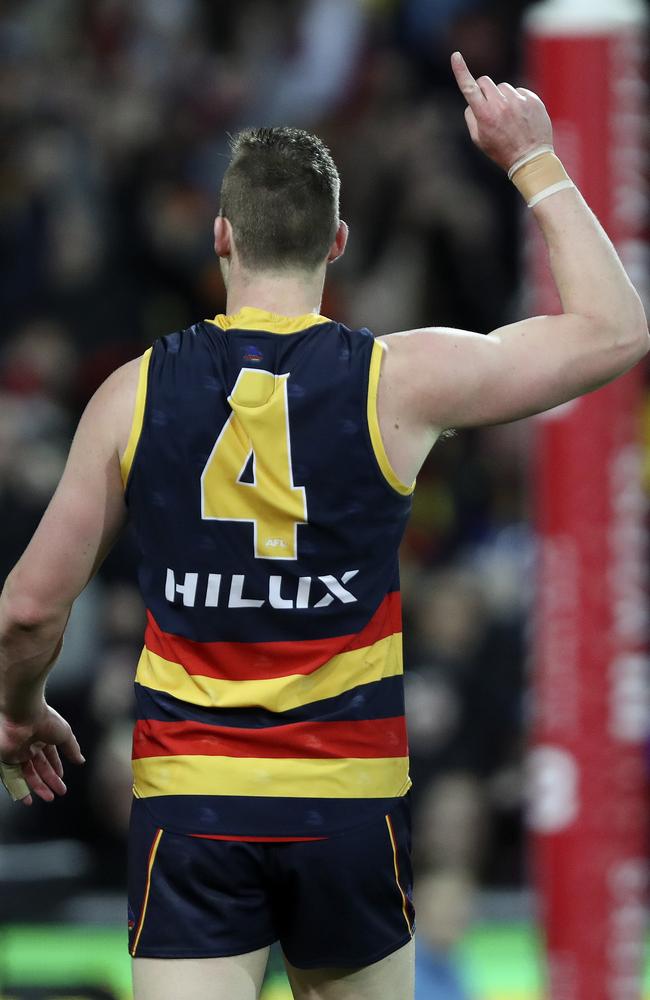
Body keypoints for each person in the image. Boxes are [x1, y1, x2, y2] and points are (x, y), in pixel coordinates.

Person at [0, 52, 646, 1000]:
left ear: (221, 236)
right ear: (337, 241)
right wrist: (532, 159)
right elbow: (614, 332)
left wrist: (18, 711)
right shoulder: (399, 381)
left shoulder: (133, 396)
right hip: (347, 805)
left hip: (196, 807)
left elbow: (25, 609)